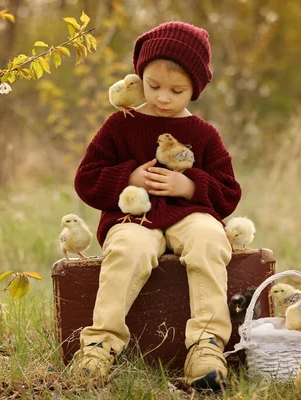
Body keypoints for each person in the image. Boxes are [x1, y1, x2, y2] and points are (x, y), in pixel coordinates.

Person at [71, 21, 242, 390]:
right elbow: (86, 179)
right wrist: (128, 177)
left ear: (195, 89)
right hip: (133, 218)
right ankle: (100, 344)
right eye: (154, 86)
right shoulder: (121, 124)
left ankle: (207, 347)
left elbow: (228, 192)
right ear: (139, 78)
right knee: (127, 248)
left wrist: (189, 183)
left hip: (189, 215)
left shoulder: (203, 134)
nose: (163, 97)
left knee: (211, 239)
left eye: (176, 90)